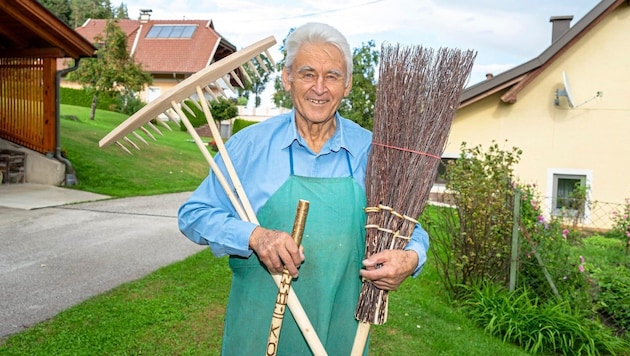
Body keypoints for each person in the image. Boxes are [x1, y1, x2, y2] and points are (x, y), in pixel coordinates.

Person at [178, 22, 429, 355]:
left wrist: (410, 258)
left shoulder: (373, 151)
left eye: (333, 76)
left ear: (348, 84)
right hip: (257, 334)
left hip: (342, 337)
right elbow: (193, 215)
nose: (320, 89)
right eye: (308, 74)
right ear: (288, 79)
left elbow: (409, 228)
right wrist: (255, 236)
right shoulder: (249, 147)